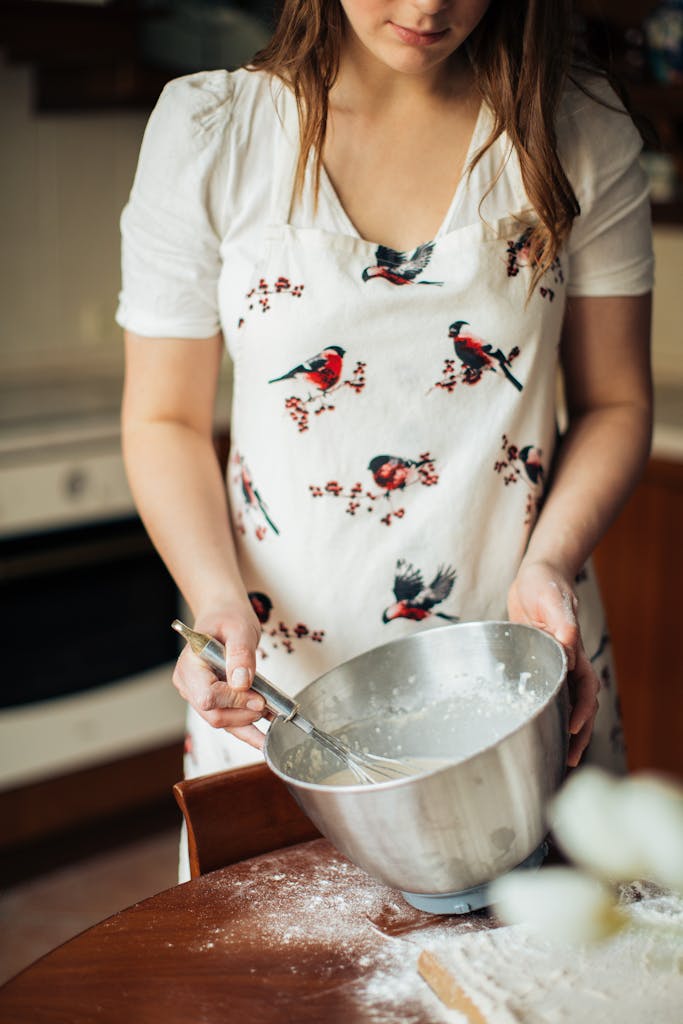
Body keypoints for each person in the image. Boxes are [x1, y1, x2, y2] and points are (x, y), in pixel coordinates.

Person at [117, 0, 653, 879]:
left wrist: (548, 562)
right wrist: (213, 601)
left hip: (517, 667)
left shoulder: (577, 125)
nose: (426, 7)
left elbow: (615, 402)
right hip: (285, 688)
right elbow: (163, 419)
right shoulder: (211, 131)